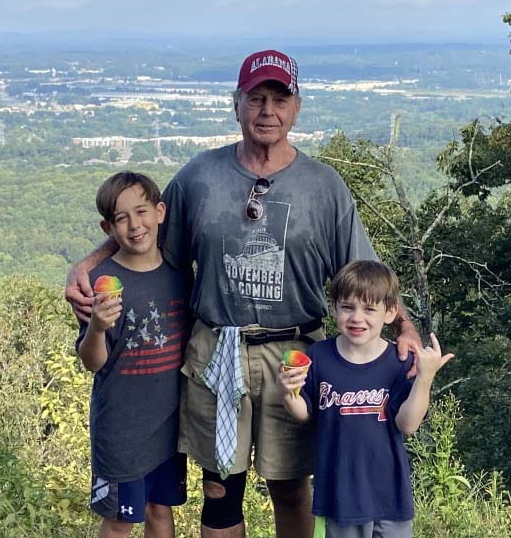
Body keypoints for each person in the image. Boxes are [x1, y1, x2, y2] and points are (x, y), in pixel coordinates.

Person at [66, 49, 422, 538]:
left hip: (295, 354)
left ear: (297, 107)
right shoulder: (200, 177)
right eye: (256, 98)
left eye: (279, 98)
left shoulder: (323, 186)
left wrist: (404, 328)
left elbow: (366, 274)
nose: (267, 111)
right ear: (236, 104)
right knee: (220, 488)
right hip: (217, 347)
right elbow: (144, 225)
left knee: (292, 486)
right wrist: (87, 264)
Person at [279, 260, 454, 538]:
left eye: (369, 309)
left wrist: (425, 378)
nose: (357, 318)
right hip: (341, 499)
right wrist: (289, 392)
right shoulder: (318, 357)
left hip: (390, 497)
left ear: (390, 313)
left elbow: (407, 425)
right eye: (347, 307)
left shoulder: (399, 362)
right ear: (334, 307)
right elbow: (304, 414)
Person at [76, 171, 193, 538]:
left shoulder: (180, 274)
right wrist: (96, 327)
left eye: (141, 212)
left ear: (160, 212)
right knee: (121, 519)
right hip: (122, 431)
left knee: (160, 509)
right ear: (107, 227)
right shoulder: (102, 282)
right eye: (121, 218)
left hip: (169, 425)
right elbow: (93, 362)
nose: (134, 225)